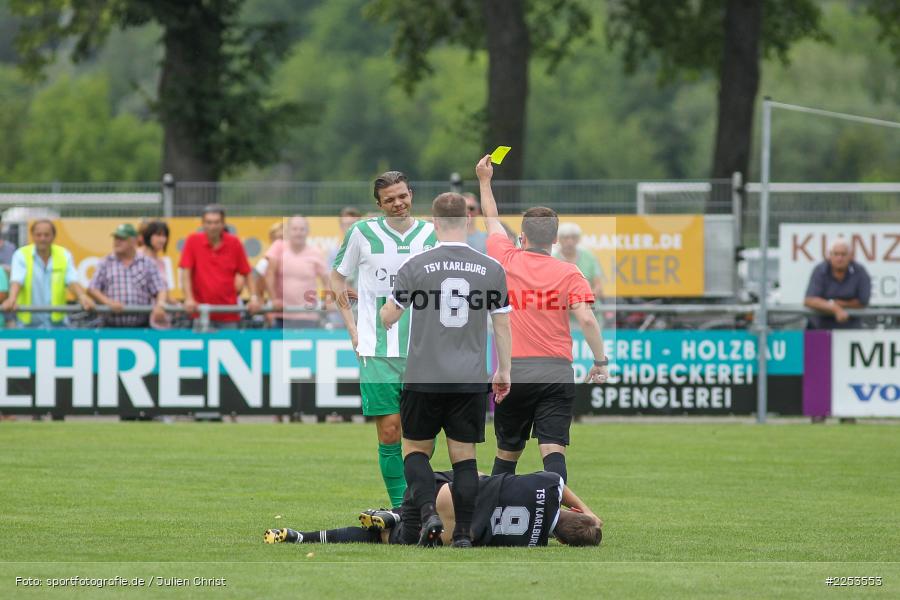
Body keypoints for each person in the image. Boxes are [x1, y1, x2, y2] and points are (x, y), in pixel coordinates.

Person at [379, 192, 513, 548]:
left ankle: (427, 513)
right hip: (469, 379)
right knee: (464, 459)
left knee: (415, 451)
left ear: (434, 223)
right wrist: (504, 371)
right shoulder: (492, 269)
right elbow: (502, 325)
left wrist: (381, 309)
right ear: (468, 221)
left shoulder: (416, 265)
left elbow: (389, 317)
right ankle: (465, 534)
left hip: (424, 376)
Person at [476, 155, 608, 487]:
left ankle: (495, 515)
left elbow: (491, 219)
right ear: (554, 240)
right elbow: (588, 321)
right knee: (553, 450)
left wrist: (484, 181)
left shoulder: (506, 259)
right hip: (556, 370)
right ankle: (552, 519)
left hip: (513, 369)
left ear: (522, 236)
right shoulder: (570, 272)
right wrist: (600, 361)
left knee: (507, 451)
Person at [330, 172, 437, 511]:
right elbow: (337, 277)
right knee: (390, 432)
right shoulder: (361, 233)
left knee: (422, 438)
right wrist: (351, 327)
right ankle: (401, 508)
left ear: (411, 194)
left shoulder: (432, 233)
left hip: (425, 349)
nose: (397, 203)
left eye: (402, 196)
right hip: (377, 350)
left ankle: (422, 502)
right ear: (378, 204)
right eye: (389, 199)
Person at [264, 470, 601, 548]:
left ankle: (395, 510)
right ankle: (300, 538)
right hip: (452, 534)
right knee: (381, 540)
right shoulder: (533, 542)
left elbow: (560, 483)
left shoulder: (549, 486)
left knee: (467, 473)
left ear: (573, 514)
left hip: (450, 497)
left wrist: (588, 510)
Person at [1, 219, 94, 327]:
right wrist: (12, 298)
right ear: (32, 236)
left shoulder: (64, 254)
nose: (42, 238)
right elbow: (17, 280)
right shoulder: (21, 254)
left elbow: (72, 280)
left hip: (57, 325)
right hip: (28, 325)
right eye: (38, 235)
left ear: (53, 236)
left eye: (46, 235)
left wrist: (82, 296)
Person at [179, 205, 259, 327]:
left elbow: (247, 272)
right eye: (209, 222)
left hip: (229, 314)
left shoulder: (234, 243)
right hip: (201, 313)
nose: (212, 227)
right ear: (202, 224)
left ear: (223, 223)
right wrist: (189, 298)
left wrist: (253, 298)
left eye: (216, 222)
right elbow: (186, 273)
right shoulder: (192, 241)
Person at [88, 224, 167, 328]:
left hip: (141, 328)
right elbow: (92, 289)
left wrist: (160, 305)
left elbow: (160, 289)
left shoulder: (147, 263)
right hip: (110, 327)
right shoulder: (105, 262)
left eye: (122, 239)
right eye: (116, 238)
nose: (117, 242)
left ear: (133, 241)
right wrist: (108, 302)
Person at [265, 215, 330, 328]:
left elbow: (327, 281)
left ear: (307, 231)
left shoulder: (316, 253)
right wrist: (274, 299)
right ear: (288, 231)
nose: (298, 233)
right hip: (281, 315)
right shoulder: (278, 247)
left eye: (302, 229)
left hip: (308, 317)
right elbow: (269, 274)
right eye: (295, 229)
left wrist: (328, 300)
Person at [803, 238, 871, 330]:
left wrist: (836, 303)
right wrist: (835, 308)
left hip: (850, 329)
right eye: (836, 254)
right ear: (829, 255)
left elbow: (863, 301)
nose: (840, 258)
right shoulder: (820, 270)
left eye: (843, 254)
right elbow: (809, 300)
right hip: (819, 328)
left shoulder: (860, 271)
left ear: (850, 256)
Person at [553, 222, 604, 301]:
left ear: (578, 239)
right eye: (566, 238)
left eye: (574, 237)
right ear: (558, 239)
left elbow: (598, 287)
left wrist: (581, 302)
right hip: (561, 309)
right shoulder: (552, 258)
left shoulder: (589, 257)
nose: (570, 241)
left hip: (589, 307)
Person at [140, 221, 175, 302]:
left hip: (158, 311)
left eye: (164, 236)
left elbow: (165, 293)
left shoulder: (161, 263)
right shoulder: (137, 256)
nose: (162, 239)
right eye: (158, 235)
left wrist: (178, 306)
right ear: (148, 236)